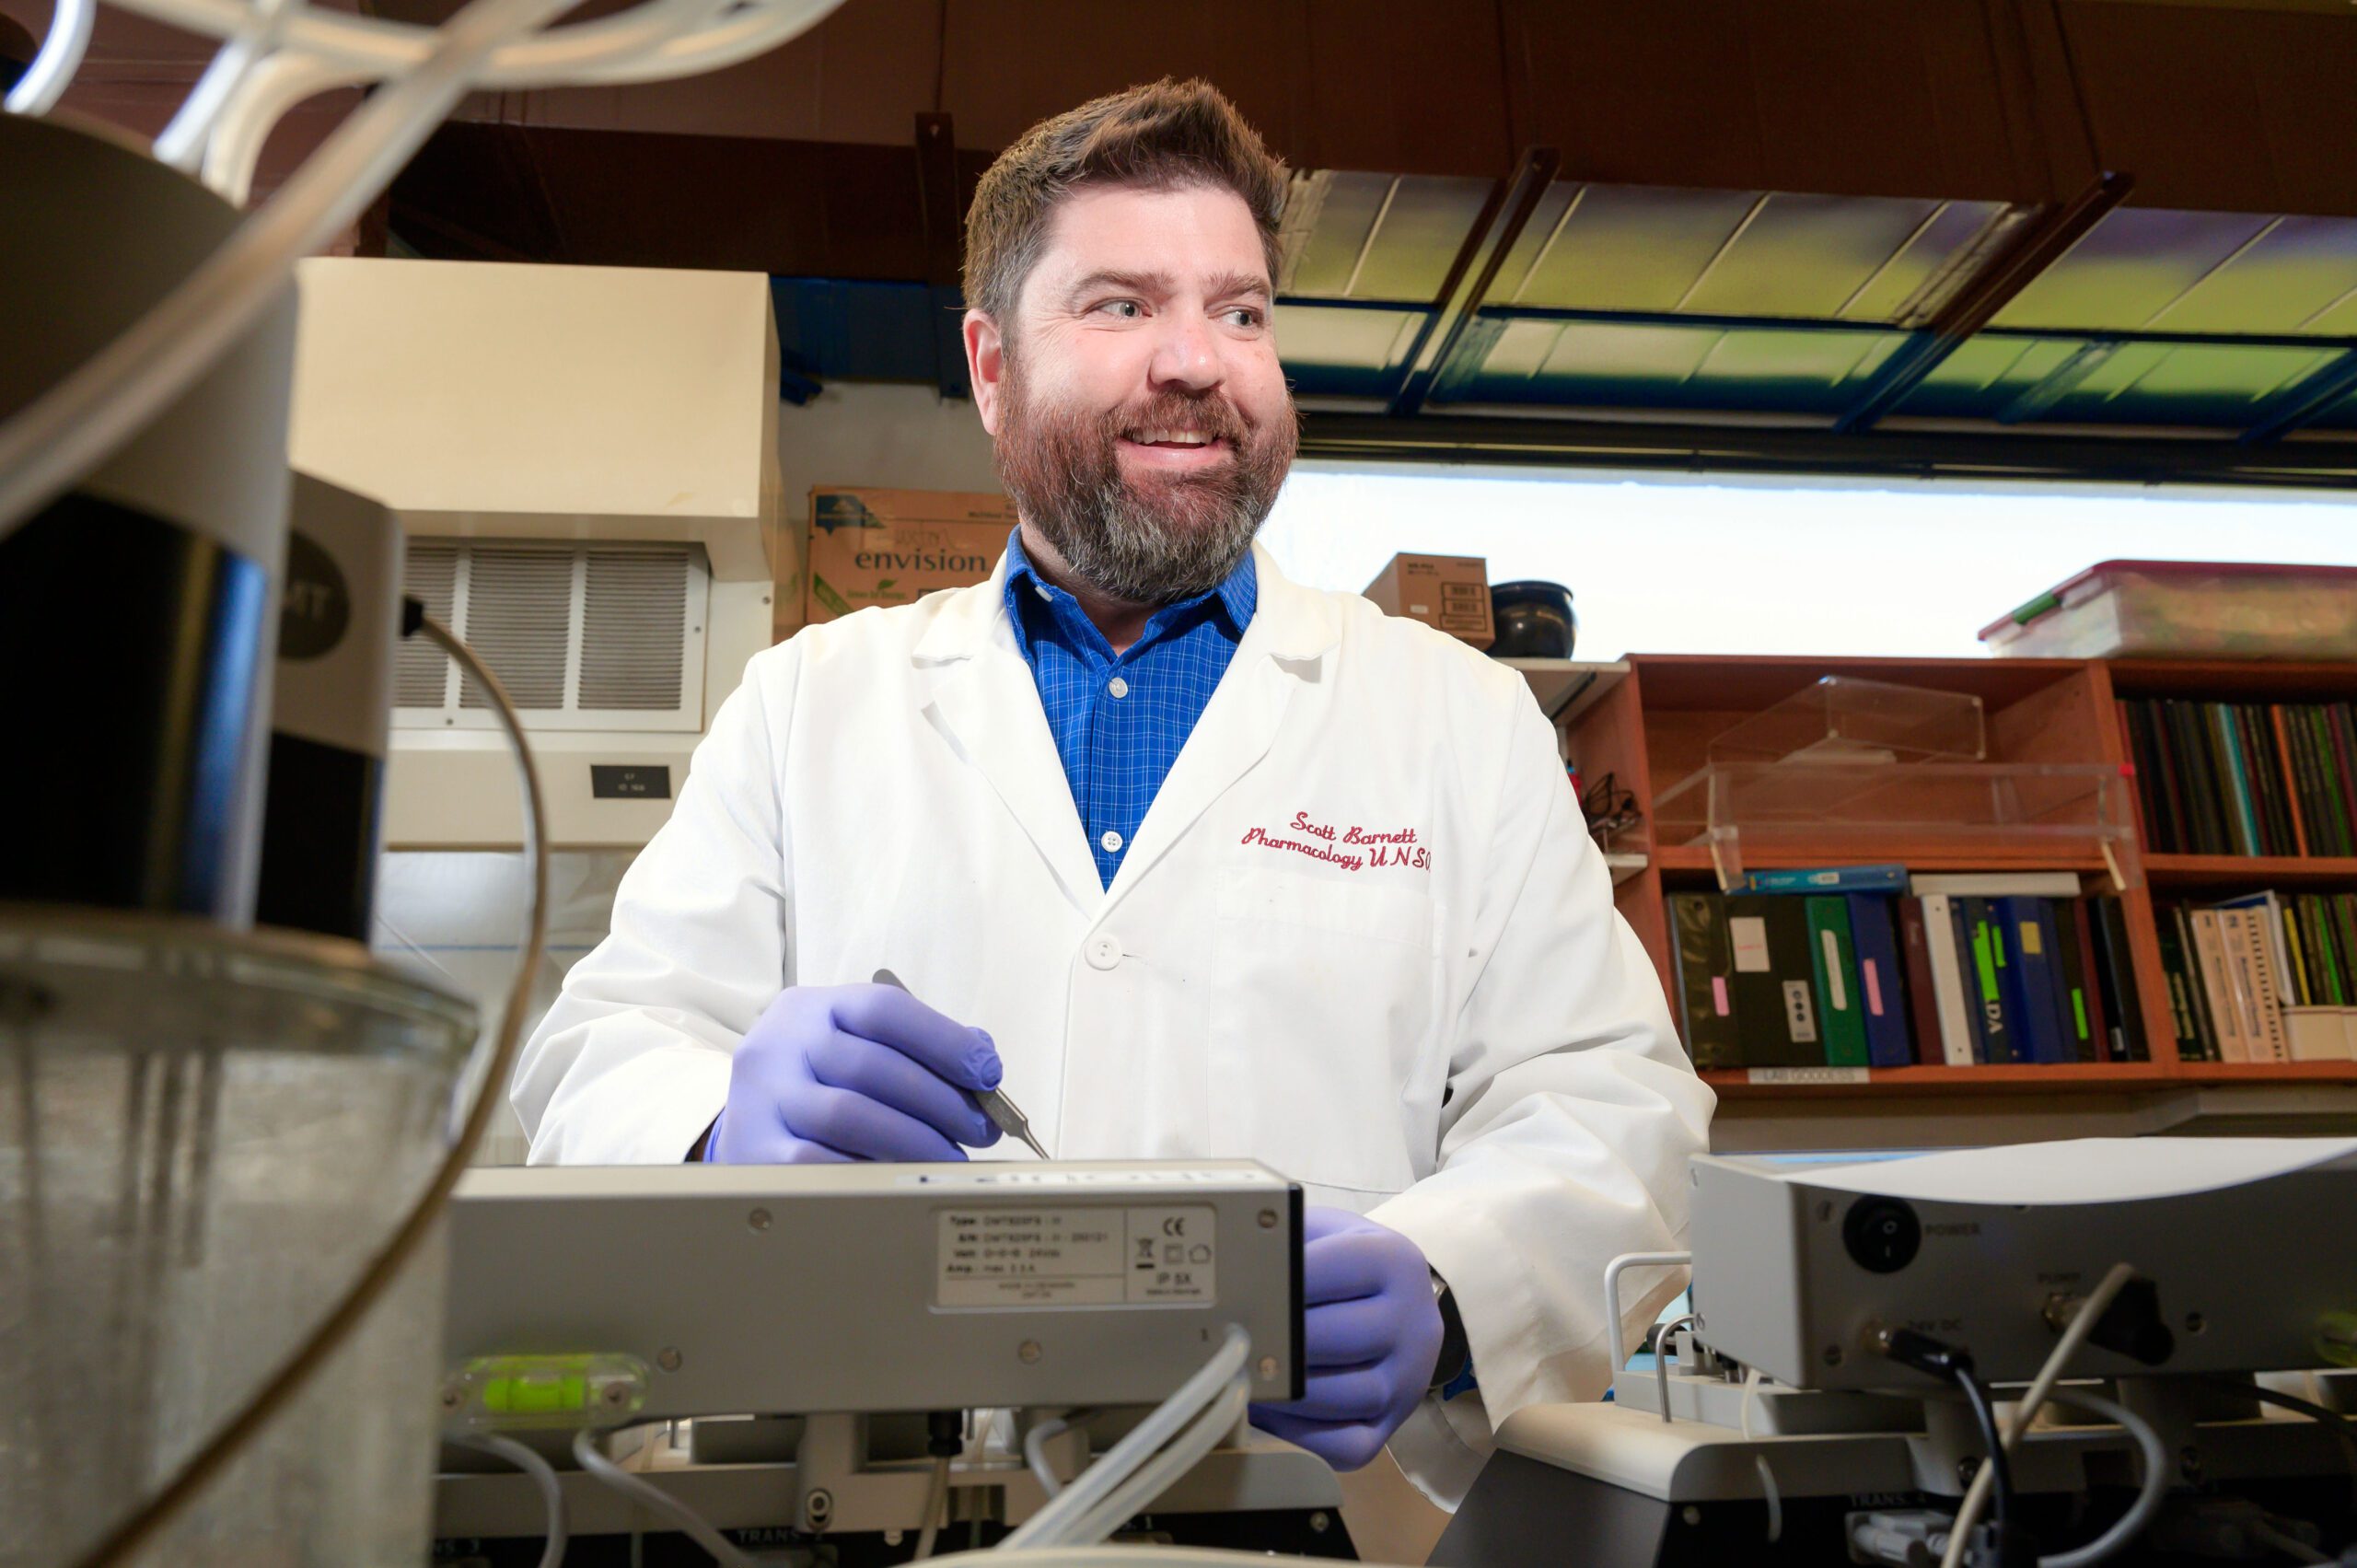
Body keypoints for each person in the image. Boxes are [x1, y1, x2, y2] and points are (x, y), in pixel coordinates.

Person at [515, 77, 1713, 1506]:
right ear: (990, 367)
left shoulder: (1456, 716)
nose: (1199, 360)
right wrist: (720, 1128)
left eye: (1243, 310)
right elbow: (600, 1054)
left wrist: (1456, 1283)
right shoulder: (811, 701)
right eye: (1121, 305)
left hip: (1317, 1508)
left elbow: (1612, 1103)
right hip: (882, 1503)